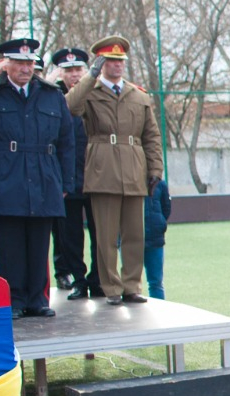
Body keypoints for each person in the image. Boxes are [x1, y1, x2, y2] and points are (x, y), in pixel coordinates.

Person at [0, 39, 75, 317]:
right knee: (8, 247)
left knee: (38, 244)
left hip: (43, 178)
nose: (26, 68)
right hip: (4, 179)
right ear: (5, 64)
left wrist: (66, 182)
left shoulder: (50, 94)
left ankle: (38, 300)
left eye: (29, 63)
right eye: (19, 63)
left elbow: (66, 141)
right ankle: (14, 300)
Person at [65, 36, 163, 304]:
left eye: (120, 60)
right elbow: (70, 106)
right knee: (105, 236)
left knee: (134, 234)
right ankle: (111, 288)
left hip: (133, 169)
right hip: (103, 169)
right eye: (110, 60)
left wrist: (155, 169)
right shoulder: (90, 92)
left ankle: (132, 285)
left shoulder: (138, 95)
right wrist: (90, 76)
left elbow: (151, 136)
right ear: (101, 62)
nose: (117, 65)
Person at [48, 47, 101, 300]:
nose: (74, 75)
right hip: (67, 178)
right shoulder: (53, 97)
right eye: (68, 70)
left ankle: (98, 280)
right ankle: (78, 280)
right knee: (70, 236)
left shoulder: (97, 95)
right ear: (60, 73)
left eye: (78, 69)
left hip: (96, 176)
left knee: (101, 233)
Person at [143, 173, 171, 300]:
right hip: (131, 240)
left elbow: (166, 208)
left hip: (155, 238)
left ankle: (159, 310)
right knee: (131, 285)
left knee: (156, 283)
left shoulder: (160, 184)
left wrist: (159, 224)